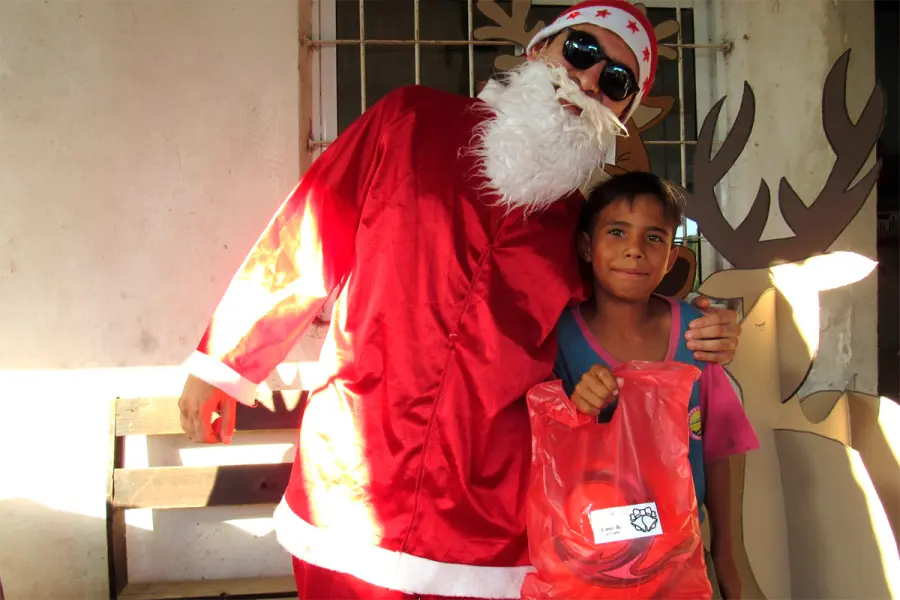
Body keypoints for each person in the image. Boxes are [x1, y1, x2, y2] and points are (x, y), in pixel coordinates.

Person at [177, 2, 743, 598]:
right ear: (539, 49)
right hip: (352, 473)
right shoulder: (409, 122)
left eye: (615, 80)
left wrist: (697, 328)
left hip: (486, 513)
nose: (586, 80)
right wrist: (224, 363)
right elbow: (306, 234)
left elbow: (623, 314)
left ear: (620, 113)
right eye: (580, 51)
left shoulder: (578, 227)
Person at [554, 171, 760, 599]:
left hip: (681, 561)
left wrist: (727, 554)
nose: (634, 250)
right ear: (587, 247)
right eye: (616, 232)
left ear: (670, 258)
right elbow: (540, 444)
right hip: (587, 565)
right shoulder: (559, 340)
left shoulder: (696, 333)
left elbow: (720, 447)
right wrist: (574, 406)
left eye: (654, 238)